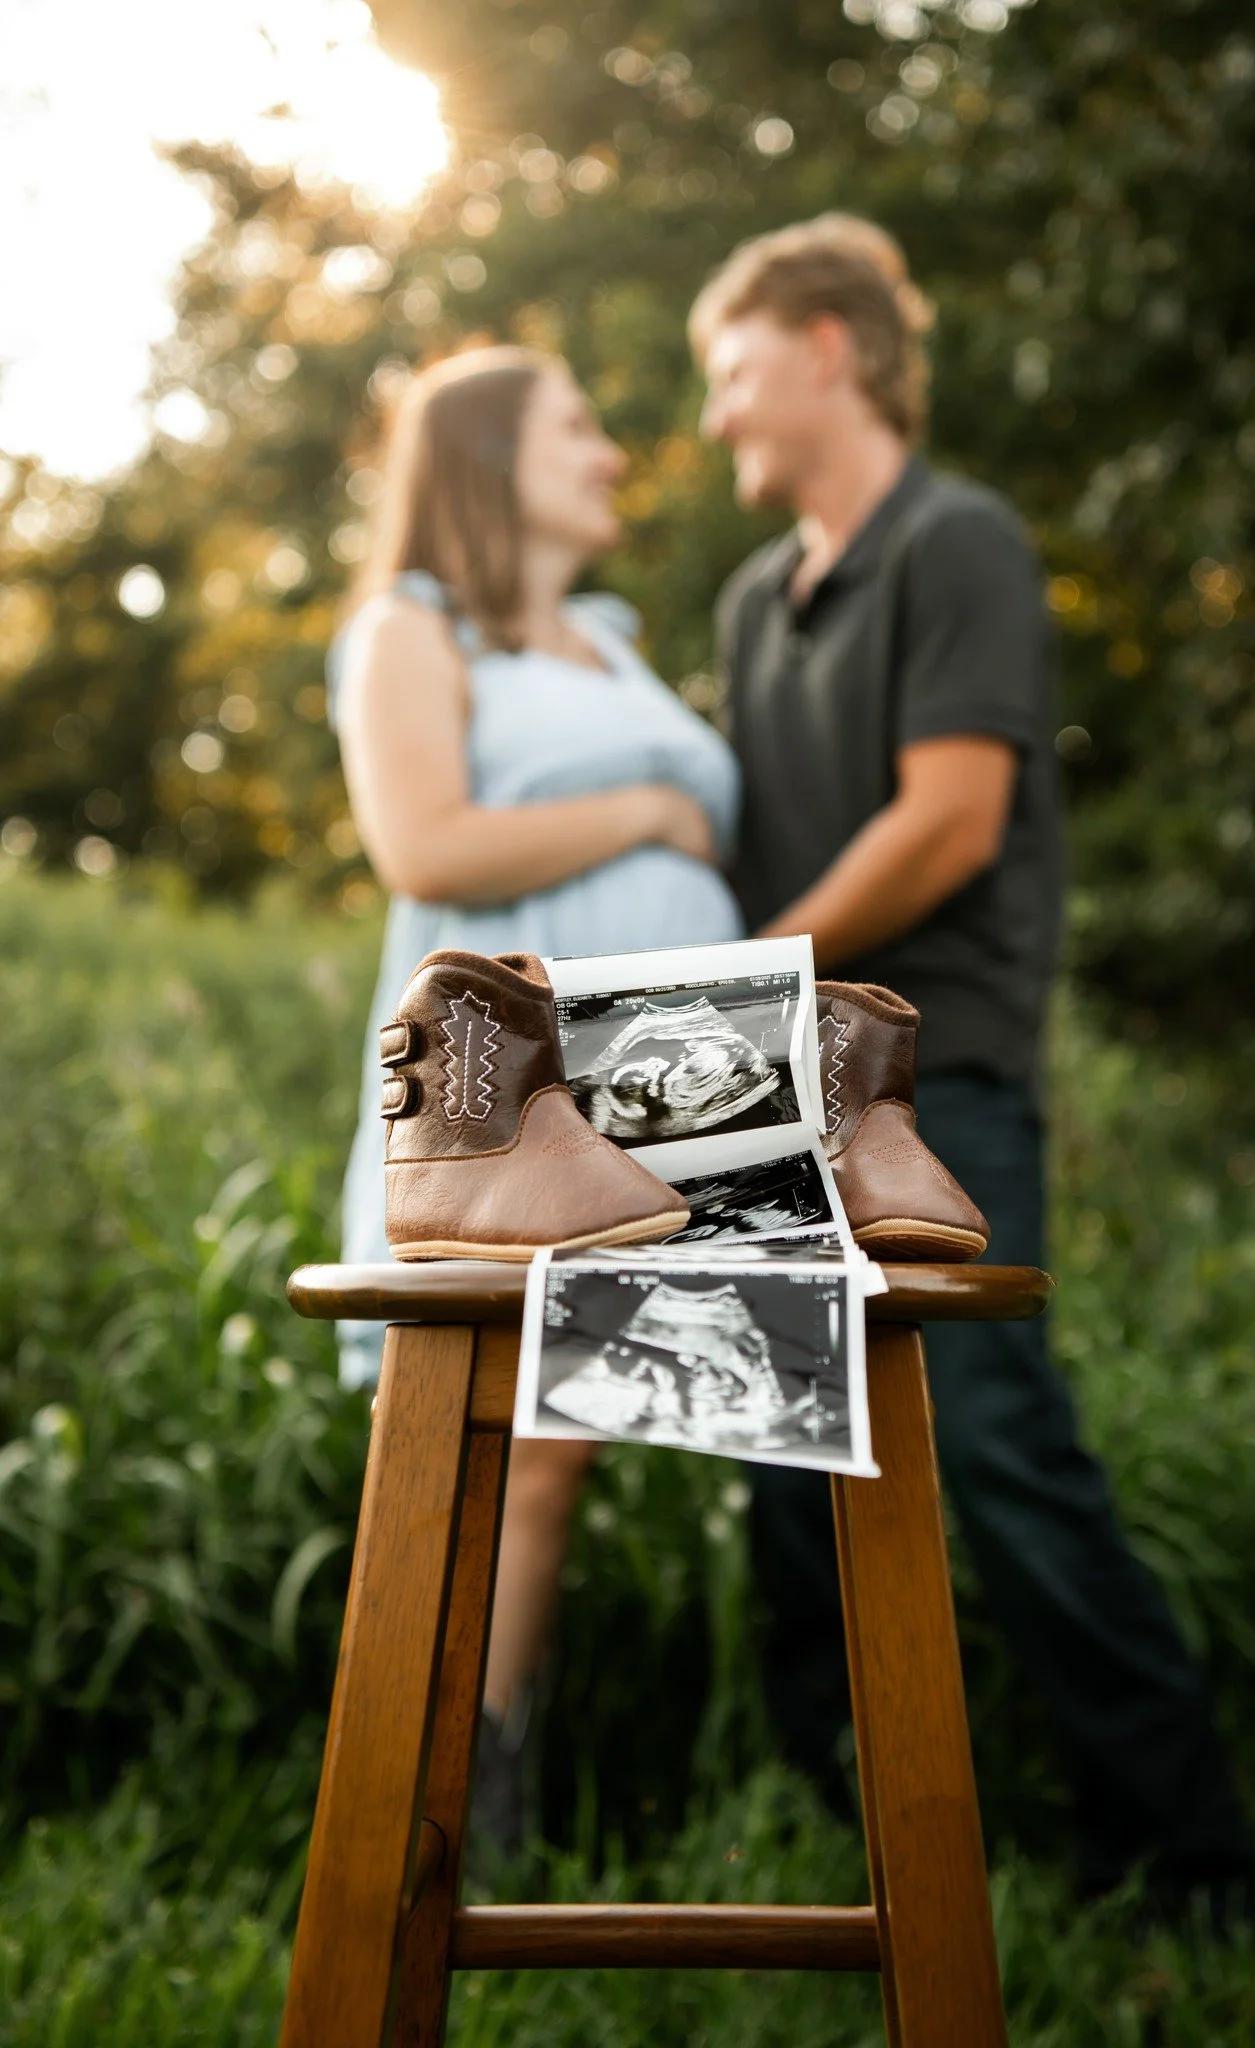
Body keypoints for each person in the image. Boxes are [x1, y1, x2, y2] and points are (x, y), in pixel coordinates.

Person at [690, 216, 1255, 1917]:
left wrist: (752, 974)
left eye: (732, 373)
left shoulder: (962, 542)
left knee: (1002, 1451)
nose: (716, 417)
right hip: (762, 1084)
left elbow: (952, 817)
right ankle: (836, 1852)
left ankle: (1190, 1869)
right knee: (782, 1468)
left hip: (936, 1083)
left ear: (829, 352)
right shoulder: (745, 599)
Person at [327, 344, 745, 1844]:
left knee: (651, 1423)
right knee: (497, 1435)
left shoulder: (614, 641)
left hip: (681, 1062)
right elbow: (422, 844)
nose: (614, 452)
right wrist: (645, 812)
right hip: (521, 1063)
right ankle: (434, 1799)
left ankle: (592, 1785)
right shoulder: (409, 629)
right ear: (495, 457)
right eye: (582, 426)